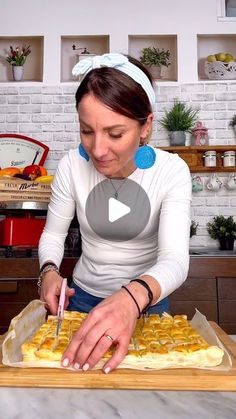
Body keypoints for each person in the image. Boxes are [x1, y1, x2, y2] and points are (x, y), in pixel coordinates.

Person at [38, 53, 192, 374]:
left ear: (146, 127)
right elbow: (53, 234)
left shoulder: (171, 171)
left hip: (145, 305)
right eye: (87, 131)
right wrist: (49, 271)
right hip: (80, 302)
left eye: (115, 134)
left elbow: (175, 260)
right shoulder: (70, 166)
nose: (98, 150)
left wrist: (131, 299)